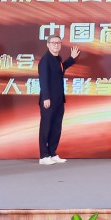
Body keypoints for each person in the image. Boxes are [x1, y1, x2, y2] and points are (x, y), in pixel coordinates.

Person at [38, 34, 80, 165]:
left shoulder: (58, 59)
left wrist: (72, 58)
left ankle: (52, 152)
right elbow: (43, 80)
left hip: (59, 99)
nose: (56, 45)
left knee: (56, 127)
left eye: (58, 42)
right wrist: (46, 97)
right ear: (48, 44)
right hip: (48, 100)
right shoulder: (45, 60)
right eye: (53, 42)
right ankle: (43, 156)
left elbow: (60, 69)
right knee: (46, 127)